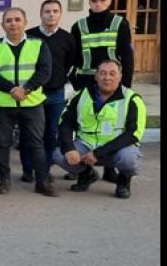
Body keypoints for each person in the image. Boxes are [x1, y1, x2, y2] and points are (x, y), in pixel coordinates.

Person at [0, 7, 57, 197]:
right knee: (3, 144)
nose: (13, 23)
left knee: (36, 144)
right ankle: (4, 181)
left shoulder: (38, 44)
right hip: (3, 104)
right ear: (2, 25)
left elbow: (45, 71)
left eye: (17, 20)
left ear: (25, 22)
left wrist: (26, 89)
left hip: (31, 103)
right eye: (9, 21)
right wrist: (11, 89)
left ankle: (42, 182)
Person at [53, 59, 146, 199]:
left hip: (116, 150)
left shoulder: (132, 99)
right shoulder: (81, 95)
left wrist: (98, 153)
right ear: (96, 76)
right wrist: (69, 148)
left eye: (112, 73)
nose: (107, 77)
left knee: (129, 159)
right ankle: (86, 175)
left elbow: (133, 134)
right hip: (86, 145)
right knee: (58, 154)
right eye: (102, 73)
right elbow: (65, 122)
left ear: (120, 76)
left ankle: (123, 181)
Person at [22, 0, 76, 182]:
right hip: (32, 93)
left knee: (51, 132)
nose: (51, 14)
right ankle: (28, 169)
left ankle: (43, 169)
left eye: (54, 11)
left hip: (55, 93)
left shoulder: (67, 38)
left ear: (60, 14)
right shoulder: (29, 36)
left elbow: (69, 63)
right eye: (47, 11)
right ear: (41, 14)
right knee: (29, 132)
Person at [70, 0, 134, 91]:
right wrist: (74, 80)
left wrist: (126, 85)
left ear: (109, 1)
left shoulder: (120, 24)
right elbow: (73, 56)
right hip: (85, 81)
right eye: (94, 1)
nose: (98, 4)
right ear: (89, 3)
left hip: (110, 79)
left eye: (102, 0)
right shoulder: (78, 26)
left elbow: (127, 56)